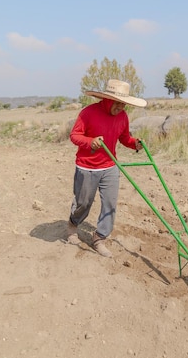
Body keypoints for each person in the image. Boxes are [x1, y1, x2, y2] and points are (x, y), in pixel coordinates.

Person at [66, 79, 147, 257]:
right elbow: (74, 135)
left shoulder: (123, 117)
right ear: (108, 100)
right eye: (117, 104)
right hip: (87, 167)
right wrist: (90, 142)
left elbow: (125, 138)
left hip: (110, 166)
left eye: (123, 104)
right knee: (83, 203)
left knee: (110, 204)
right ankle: (72, 226)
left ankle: (99, 237)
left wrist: (136, 144)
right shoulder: (88, 113)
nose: (120, 108)